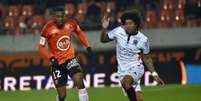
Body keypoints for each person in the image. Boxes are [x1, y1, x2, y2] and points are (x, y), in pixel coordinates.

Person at [100, 10, 165, 101]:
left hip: (136, 67)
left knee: (126, 83)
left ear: (136, 24)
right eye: (126, 23)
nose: (128, 26)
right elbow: (103, 40)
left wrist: (154, 74)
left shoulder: (143, 39)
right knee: (138, 98)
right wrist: (104, 28)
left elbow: (147, 58)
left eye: (130, 23)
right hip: (122, 70)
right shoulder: (118, 31)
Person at [38, 7, 93, 101]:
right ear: (54, 17)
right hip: (57, 64)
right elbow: (41, 47)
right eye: (58, 17)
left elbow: (79, 33)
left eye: (62, 16)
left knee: (79, 80)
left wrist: (87, 46)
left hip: (70, 59)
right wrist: (51, 58)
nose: (60, 19)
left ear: (65, 16)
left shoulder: (71, 23)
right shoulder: (47, 28)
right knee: (62, 96)